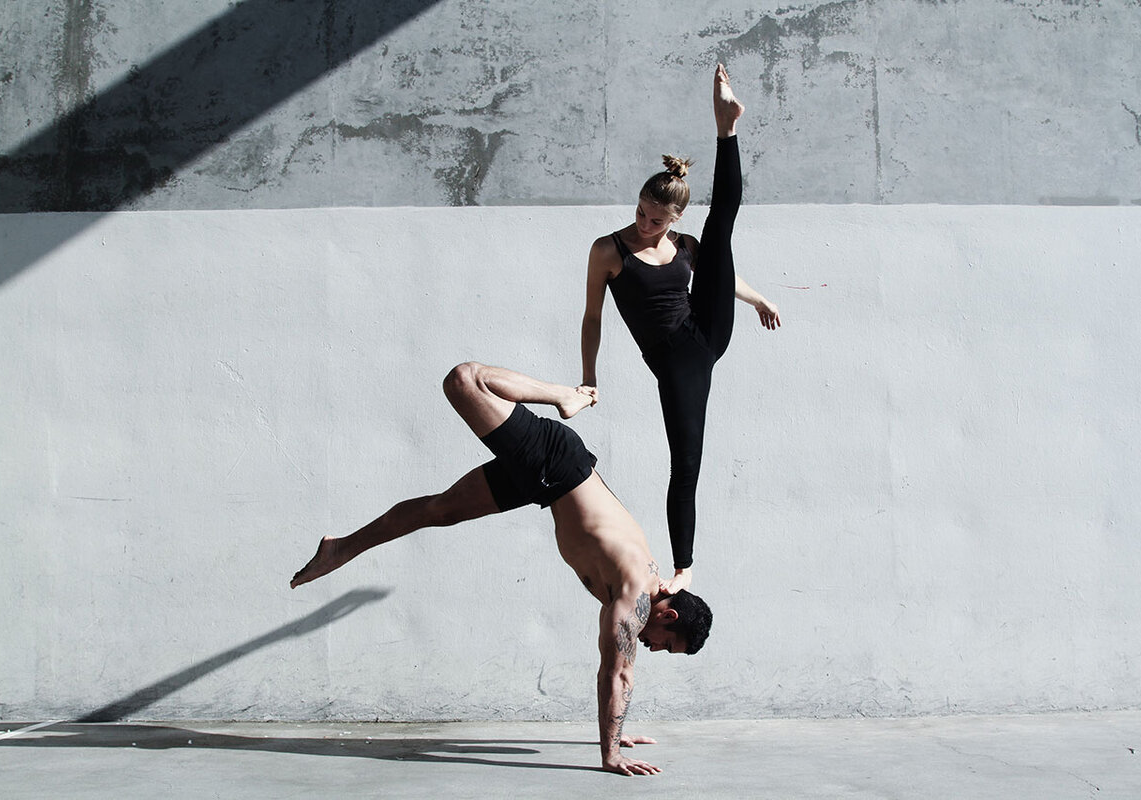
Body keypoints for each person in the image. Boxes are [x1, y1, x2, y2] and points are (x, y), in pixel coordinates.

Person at [290, 361, 713, 777]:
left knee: (440, 510)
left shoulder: (638, 593)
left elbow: (617, 676)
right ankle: (565, 395)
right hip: (555, 462)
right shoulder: (635, 594)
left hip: (545, 483)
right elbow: (617, 673)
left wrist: (617, 733)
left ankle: (340, 548)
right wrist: (611, 754)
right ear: (668, 615)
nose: (654, 649)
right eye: (665, 644)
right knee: (464, 381)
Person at [580, 64, 780, 596]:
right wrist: (587, 377)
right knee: (687, 457)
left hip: (709, 332)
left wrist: (759, 299)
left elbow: (722, 278)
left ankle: (726, 128)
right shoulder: (609, 250)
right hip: (676, 359)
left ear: (671, 219)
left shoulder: (685, 246)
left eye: (656, 220)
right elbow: (593, 317)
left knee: (722, 227)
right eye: (642, 213)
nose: (645, 225)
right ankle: (685, 564)